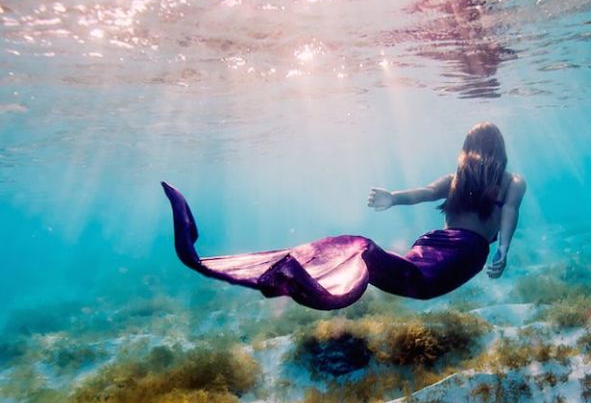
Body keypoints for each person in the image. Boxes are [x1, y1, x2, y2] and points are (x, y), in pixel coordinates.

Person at [162, 122, 526, 311]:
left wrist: (394, 198)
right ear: (500, 148)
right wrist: (502, 249)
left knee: (371, 258)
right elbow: (506, 211)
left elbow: (427, 193)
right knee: (369, 259)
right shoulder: (509, 181)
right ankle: (289, 275)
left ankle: (290, 274)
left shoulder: (458, 179)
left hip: (436, 253)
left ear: (467, 149)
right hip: (457, 257)